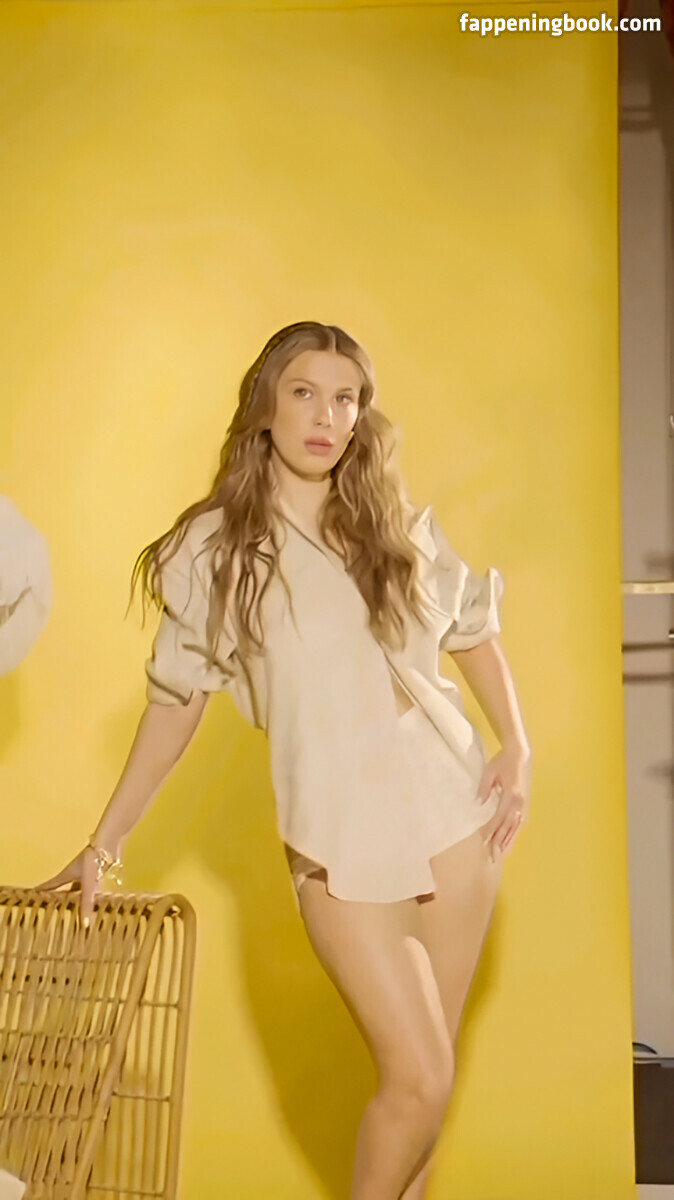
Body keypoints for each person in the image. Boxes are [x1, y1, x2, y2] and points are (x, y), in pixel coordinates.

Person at [37, 321, 532, 1200]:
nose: (326, 417)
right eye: (305, 392)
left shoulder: (389, 521)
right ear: (266, 403)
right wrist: (103, 845)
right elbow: (176, 701)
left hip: (452, 812)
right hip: (338, 828)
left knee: (430, 1089)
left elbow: (470, 625)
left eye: (345, 399)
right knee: (419, 1079)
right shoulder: (216, 548)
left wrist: (515, 748)